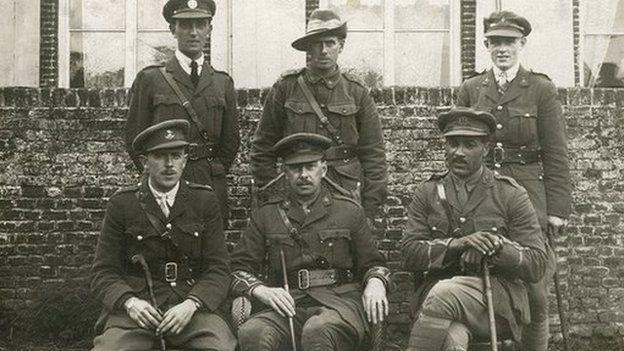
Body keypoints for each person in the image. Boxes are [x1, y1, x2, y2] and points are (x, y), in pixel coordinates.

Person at [455, 11, 572, 350]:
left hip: (529, 195)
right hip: (481, 192)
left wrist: (557, 210)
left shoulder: (540, 89)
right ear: (486, 44)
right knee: (479, 278)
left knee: (535, 288)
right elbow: (458, 148)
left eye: (509, 42)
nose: (502, 49)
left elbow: (556, 153)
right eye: (495, 42)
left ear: (522, 44)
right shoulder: (472, 88)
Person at [401, 107, 548, 351]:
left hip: (494, 300)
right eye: (452, 143)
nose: (458, 152)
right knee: (451, 338)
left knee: (443, 293)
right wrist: (459, 244)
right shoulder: (427, 192)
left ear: (486, 149)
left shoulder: (510, 194)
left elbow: (537, 264)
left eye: (469, 145)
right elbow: (409, 254)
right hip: (437, 302)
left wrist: (495, 247)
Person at [230, 133, 391, 351]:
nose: (303, 174)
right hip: (287, 305)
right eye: (296, 168)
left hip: (338, 304)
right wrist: (261, 291)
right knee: (253, 333)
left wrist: (376, 282)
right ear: (285, 172)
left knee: (318, 331)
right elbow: (237, 267)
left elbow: (373, 263)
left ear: (323, 169)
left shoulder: (349, 211)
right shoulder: (267, 215)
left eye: (310, 166)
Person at [90, 119, 236, 350]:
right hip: (139, 313)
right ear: (144, 162)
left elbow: (218, 268)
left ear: (185, 160)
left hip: (190, 309)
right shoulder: (122, 204)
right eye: (160, 156)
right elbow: (103, 272)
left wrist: (192, 303)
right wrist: (130, 302)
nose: (169, 164)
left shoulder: (204, 201)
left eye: (176, 155)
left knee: (218, 347)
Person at [249, 9, 388, 220]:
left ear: (341, 46)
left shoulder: (356, 91)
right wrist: (274, 191)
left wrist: (369, 207)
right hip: (297, 191)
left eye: (330, 42)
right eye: (317, 43)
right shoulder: (285, 88)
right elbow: (262, 147)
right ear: (307, 48)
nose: (323, 50)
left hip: (345, 189)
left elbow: (373, 153)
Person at [123, 0, 239, 222]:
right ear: (173, 29)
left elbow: (230, 141)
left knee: (210, 249)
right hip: (163, 183)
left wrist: (212, 169)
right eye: (185, 25)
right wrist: (156, 175)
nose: (193, 33)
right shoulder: (151, 80)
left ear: (209, 29)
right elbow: (134, 138)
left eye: (200, 25)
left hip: (209, 182)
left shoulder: (222, 83)